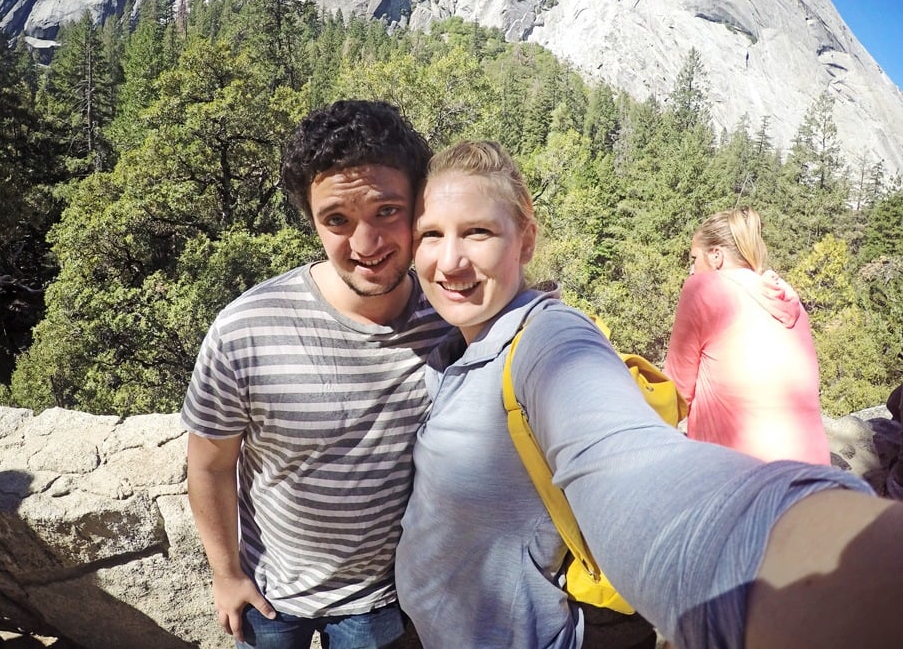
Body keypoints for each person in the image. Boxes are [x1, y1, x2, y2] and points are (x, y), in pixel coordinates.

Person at [395, 140, 902, 649]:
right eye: (431, 235)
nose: (449, 260)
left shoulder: (548, 341)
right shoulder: (448, 345)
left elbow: (629, 466)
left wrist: (827, 559)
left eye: (477, 232)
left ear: (525, 241)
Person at [181, 100, 451, 649]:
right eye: (337, 220)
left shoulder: (451, 318)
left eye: (386, 212)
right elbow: (209, 467)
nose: (366, 245)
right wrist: (226, 574)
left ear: (419, 206)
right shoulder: (246, 329)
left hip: (383, 600)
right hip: (269, 596)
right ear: (311, 220)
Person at [663, 207, 829, 464]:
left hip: (743, 475)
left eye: (693, 259)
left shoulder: (703, 288)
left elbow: (674, 393)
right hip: (813, 474)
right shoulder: (785, 296)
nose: (692, 269)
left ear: (716, 256)